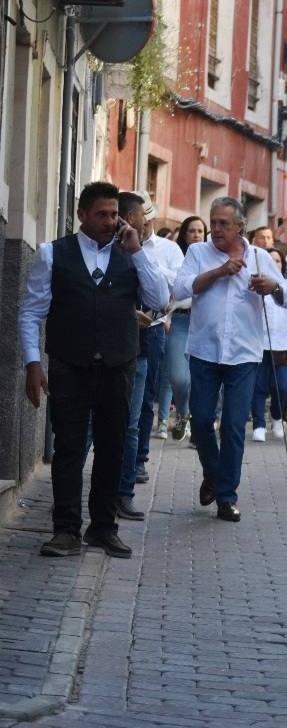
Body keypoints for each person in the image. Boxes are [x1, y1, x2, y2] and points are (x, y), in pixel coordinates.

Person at [18, 182, 169, 557]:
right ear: (81, 214)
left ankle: (103, 528)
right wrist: (33, 364)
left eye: (113, 214)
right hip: (71, 364)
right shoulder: (54, 254)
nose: (109, 221)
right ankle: (66, 530)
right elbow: (31, 312)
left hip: (119, 365)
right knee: (68, 448)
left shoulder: (130, 254)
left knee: (113, 448)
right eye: (101, 214)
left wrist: (137, 253)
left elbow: (160, 300)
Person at [174, 197, 287, 522]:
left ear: (240, 226)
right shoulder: (199, 252)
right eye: (212, 222)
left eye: (223, 224)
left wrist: (272, 287)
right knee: (199, 421)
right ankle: (214, 473)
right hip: (204, 350)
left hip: (244, 354)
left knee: (232, 425)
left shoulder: (258, 256)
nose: (215, 229)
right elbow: (181, 288)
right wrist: (218, 272)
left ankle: (226, 497)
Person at [114, 192, 180, 521]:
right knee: (86, 425)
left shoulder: (150, 250)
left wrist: (139, 253)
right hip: (98, 347)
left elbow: (162, 296)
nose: (147, 223)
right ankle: (67, 496)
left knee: (133, 417)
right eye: (143, 217)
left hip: (140, 344)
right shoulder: (102, 251)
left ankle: (123, 492)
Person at [156, 215, 207, 442]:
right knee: (178, 377)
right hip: (179, 320)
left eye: (200, 231)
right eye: (192, 231)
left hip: (204, 322)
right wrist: (165, 316)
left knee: (201, 378)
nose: (197, 235)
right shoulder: (177, 257)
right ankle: (184, 414)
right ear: (185, 235)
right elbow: (165, 289)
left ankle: (198, 424)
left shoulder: (211, 259)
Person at [250, 248, 287, 442]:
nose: (274, 264)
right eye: (270, 261)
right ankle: (258, 424)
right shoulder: (256, 286)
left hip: (282, 343)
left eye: (277, 261)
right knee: (259, 386)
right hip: (258, 343)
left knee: (282, 386)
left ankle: (277, 417)